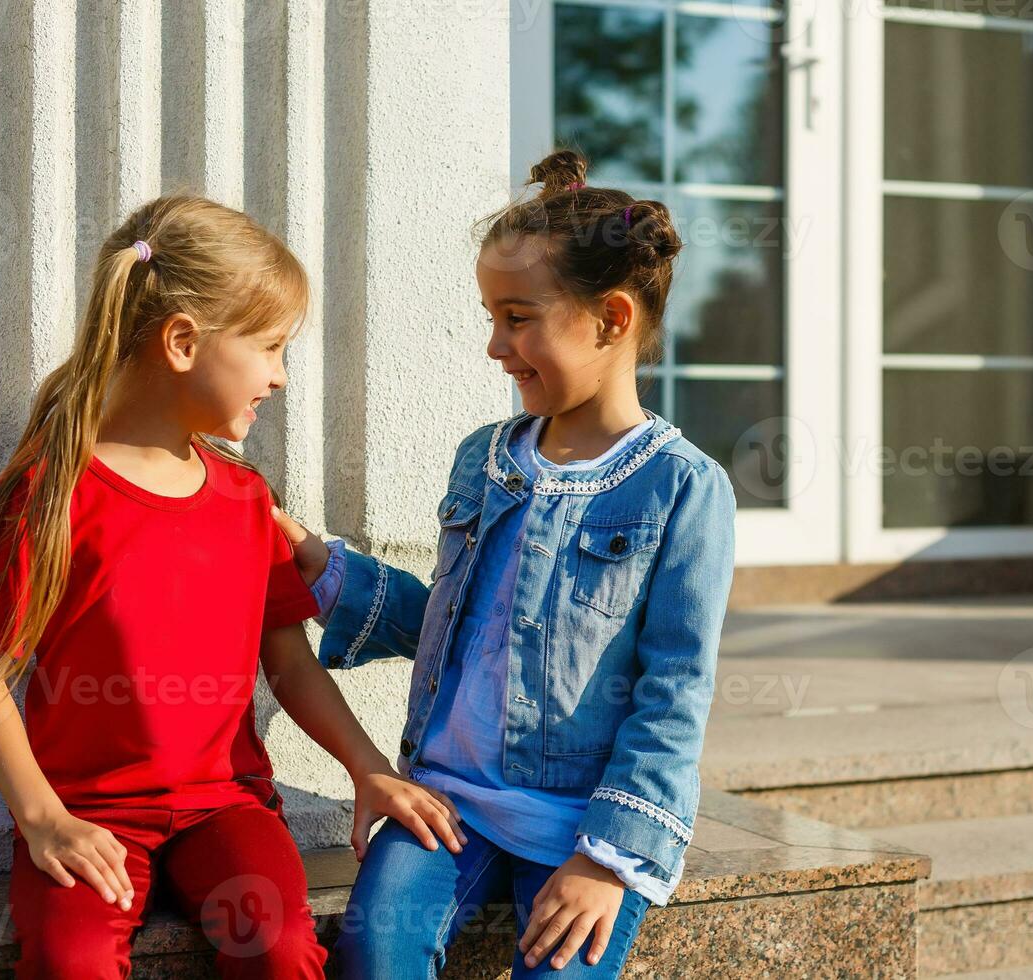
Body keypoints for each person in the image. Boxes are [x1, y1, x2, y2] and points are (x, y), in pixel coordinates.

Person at [0, 193, 465, 979]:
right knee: (70, 960)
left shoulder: (246, 499)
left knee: (283, 948)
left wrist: (368, 768)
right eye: (271, 348)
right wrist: (44, 821)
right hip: (90, 812)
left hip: (226, 809)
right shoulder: (44, 497)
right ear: (183, 342)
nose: (281, 377)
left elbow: (290, 664)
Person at [275, 149, 737, 978]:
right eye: (491, 316)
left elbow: (676, 690)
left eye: (518, 317)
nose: (495, 345)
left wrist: (607, 861)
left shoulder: (683, 489)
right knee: (376, 951)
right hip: (448, 805)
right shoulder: (485, 461)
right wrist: (326, 565)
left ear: (612, 319)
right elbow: (457, 627)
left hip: (586, 821)